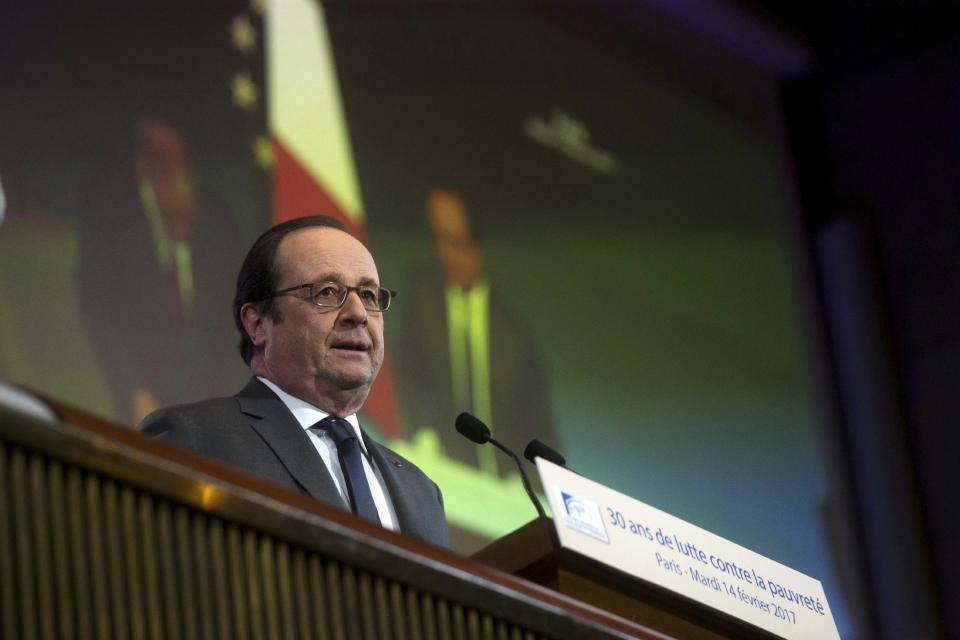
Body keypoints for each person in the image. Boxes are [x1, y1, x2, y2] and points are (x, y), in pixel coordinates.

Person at [139, 215, 450, 547]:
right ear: (258, 323)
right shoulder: (197, 440)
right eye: (328, 292)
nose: (358, 313)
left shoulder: (421, 492)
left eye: (370, 296)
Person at [397, 188, 556, 480]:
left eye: (456, 242)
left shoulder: (514, 335)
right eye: (438, 240)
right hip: (437, 470)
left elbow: (539, 426)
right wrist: (423, 435)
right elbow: (408, 376)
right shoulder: (421, 295)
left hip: (501, 488)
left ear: (477, 248)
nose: (445, 254)